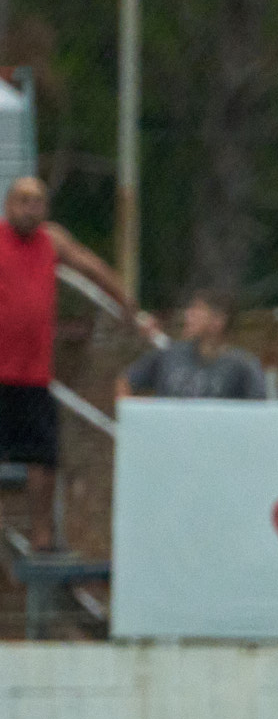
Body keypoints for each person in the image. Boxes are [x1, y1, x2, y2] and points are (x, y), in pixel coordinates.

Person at [0, 176, 152, 550]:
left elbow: (93, 268)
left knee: (43, 455)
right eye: (23, 200)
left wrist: (127, 306)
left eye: (37, 201)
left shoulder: (52, 240)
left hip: (34, 375)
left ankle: (42, 533)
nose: (30, 208)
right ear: (8, 205)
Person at [117, 288, 266, 401]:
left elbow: (259, 413)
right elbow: (125, 381)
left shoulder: (242, 365)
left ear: (218, 320)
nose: (188, 315)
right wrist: (139, 418)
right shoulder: (169, 354)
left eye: (197, 309)